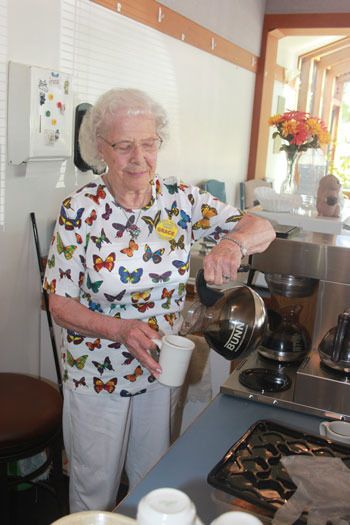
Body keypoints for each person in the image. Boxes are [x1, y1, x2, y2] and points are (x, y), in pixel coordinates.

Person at [43, 88, 275, 512]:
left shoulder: (180, 200)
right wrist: (120, 329)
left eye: (149, 143)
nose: (139, 157)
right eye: (125, 145)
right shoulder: (79, 211)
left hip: (160, 368)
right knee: (94, 490)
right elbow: (60, 304)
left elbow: (263, 227)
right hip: (97, 372)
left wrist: (233, 246)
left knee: (153, 482)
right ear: (101, 148)